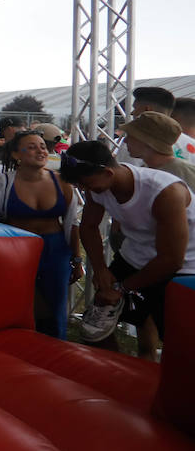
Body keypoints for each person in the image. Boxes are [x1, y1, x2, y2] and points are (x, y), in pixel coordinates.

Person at [63, 140, 195, 358]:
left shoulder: (164, 192)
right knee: (95, 329)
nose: (85, 191)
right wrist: (101, 270)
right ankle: (117, 375)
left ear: (107, 172)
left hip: (183, 267)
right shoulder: (96, 186)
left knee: (179, 341)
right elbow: (88, 226)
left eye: (87, 185)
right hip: (134, 256)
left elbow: (171, 259)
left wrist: (122, 288)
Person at [0, 130, 82, 338]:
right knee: (17, 306)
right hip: (16, 252)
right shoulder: (3, 183)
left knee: (55, 309)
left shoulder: (62, 182)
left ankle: (56, 353)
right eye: (32, 147)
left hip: (55, 251)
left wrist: (76, 259)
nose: (40, 151)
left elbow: (72, 224)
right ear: (16, 155)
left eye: (43, 146)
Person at [121, 112, 195, 190]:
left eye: (131, 136)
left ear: (147, 142)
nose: (125, 141)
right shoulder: (145, 169)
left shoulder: (186, 173)